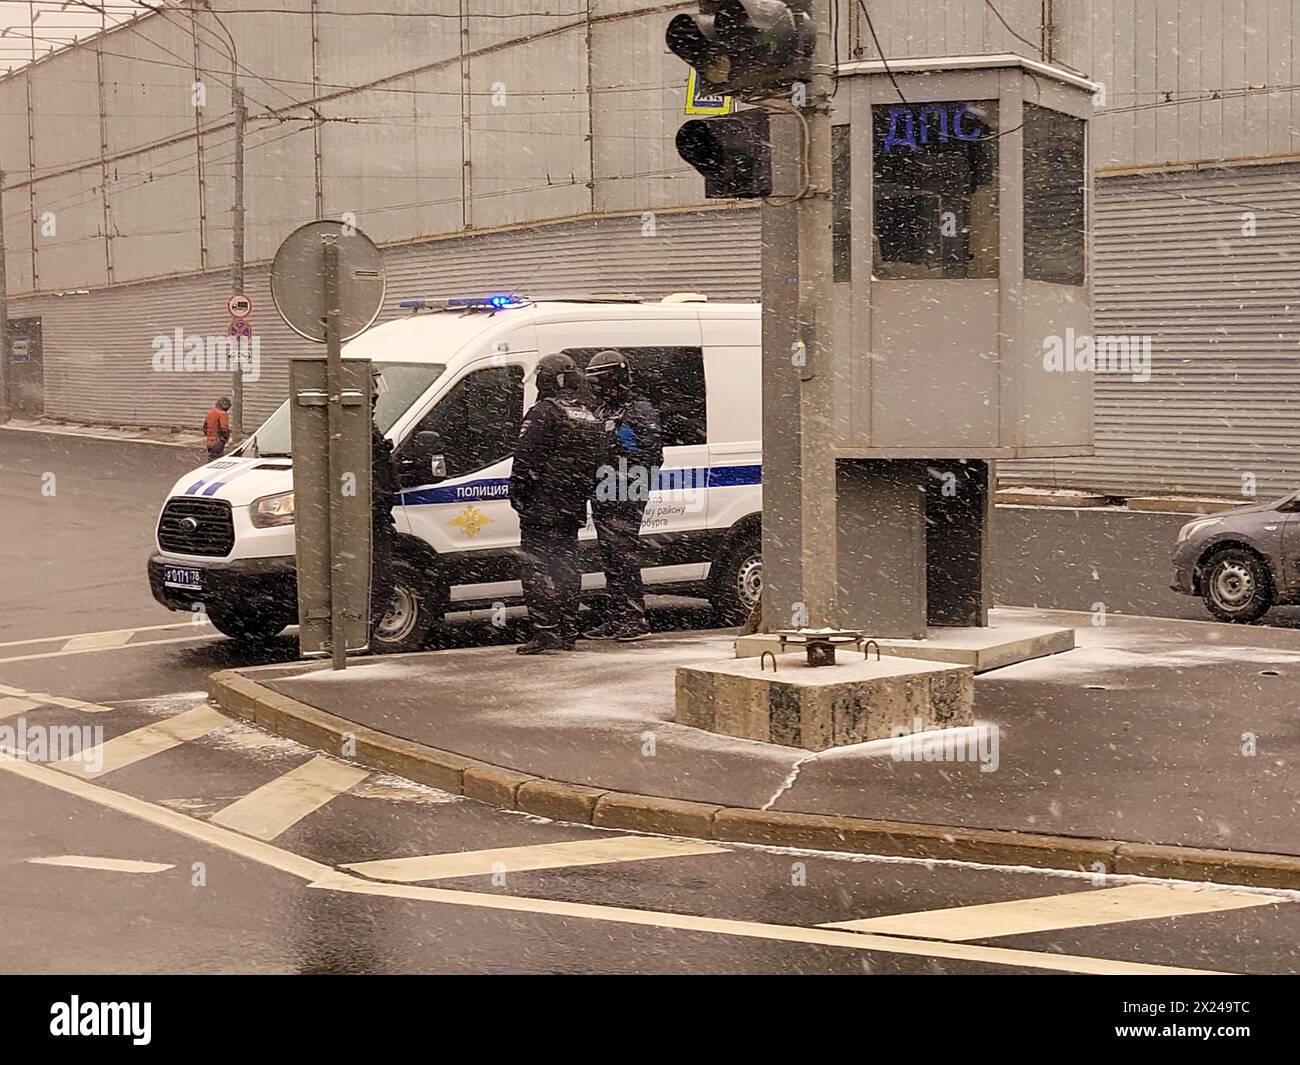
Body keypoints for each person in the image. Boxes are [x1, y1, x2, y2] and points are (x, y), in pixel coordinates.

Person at [508, 353, 605, 654]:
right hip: (571, 504)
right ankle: (567, 629)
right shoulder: (587, 413)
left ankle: (545, 630)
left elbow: (526, 458)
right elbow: (599, 460)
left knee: (537, 568)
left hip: (542, 502)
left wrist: (519, 492)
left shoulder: (544, 412)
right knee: (567, 567)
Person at [583, 350, 663, 642]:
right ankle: (618, 616)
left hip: (626, 493)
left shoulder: (638, 410)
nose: (595, 387)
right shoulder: (604, 409)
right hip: (604, 492)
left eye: (599, 381)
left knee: (623, 556)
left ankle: (634, 617)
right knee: (611, 557)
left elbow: (652, 455)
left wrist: (622, 465)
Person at [369, 368, 402, 643]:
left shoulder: (366, 425)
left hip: (376, 518)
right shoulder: (355, 427)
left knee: (380, 583)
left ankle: (359, 639)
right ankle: (359, 640)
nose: (377, 391)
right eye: (372, 384)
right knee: (378, 583)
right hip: (368, 521)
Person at [203, 396, 232, 461]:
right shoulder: (223, 414)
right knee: (217, 461)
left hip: (209, 442)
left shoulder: (210, 412)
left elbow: (205, 427)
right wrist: (224, 439)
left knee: (211, 459)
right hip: (217, 442)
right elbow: (223, 428)